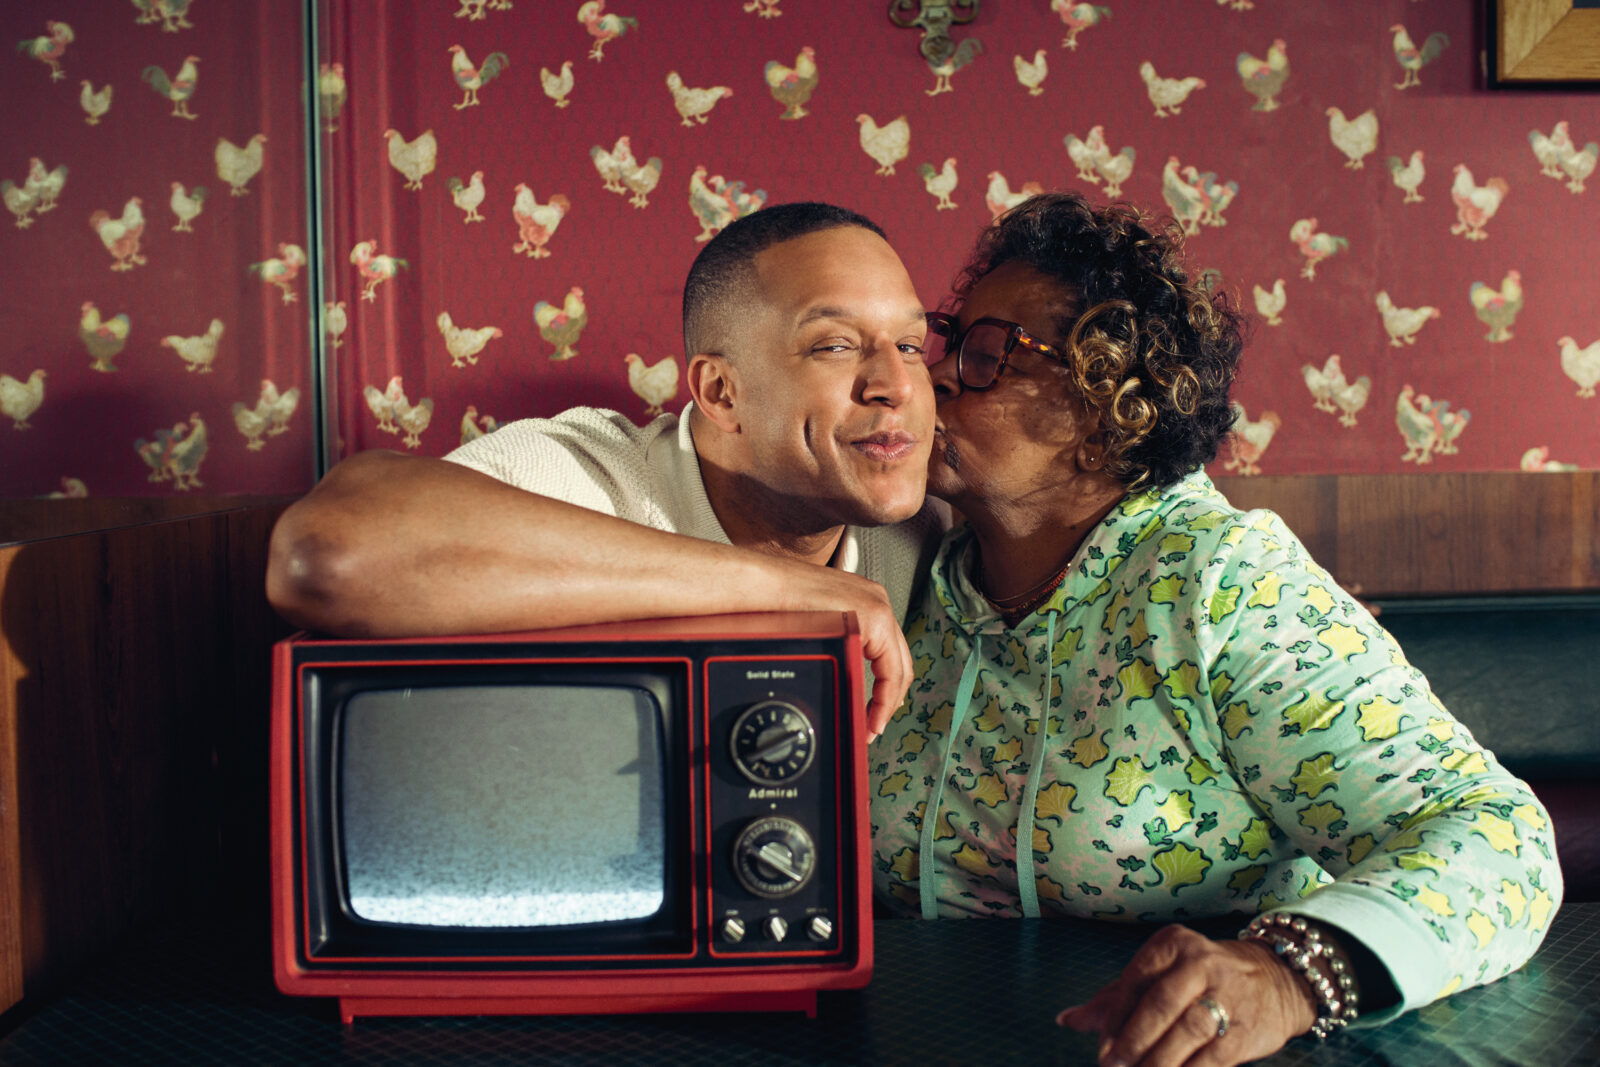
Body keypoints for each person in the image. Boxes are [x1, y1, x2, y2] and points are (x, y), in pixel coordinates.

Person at [870, 193, 1561, 1065]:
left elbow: (1499, 837)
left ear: (1110, 406)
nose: (930, 378)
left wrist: (1285, 976)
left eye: (985, 353)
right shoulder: (907, 566)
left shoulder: (1223, 583)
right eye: (947, 341)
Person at [266, 202, 945, 729]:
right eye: (833, 345)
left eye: (912, 345)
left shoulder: (923, 524)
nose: (896, 382)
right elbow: (326, 553)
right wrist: (791, 589)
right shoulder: (591, 474)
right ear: (720, 392)